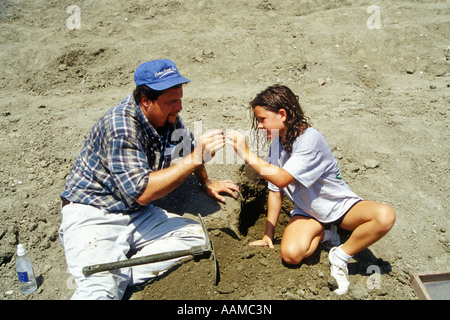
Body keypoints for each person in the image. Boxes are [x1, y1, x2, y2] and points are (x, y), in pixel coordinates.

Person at [59, 59, 239, 300]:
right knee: (100, 293)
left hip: (137, 213)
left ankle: (116, 272)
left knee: (197, 238)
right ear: (145, 101)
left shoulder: (168, 118)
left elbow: (189, 148)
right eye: (171, 101)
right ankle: (108, 275)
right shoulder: (121, 127)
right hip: (95, 214)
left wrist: (205, 182)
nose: (179, 107)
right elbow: (142, 192)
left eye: (180, 98)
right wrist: (196, 158)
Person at [226, 84, 395, 295]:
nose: (259, 126)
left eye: (262, 119)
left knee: (385, 216)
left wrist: (246, 153)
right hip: (308, 212)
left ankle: (340, 255)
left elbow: (281, 179)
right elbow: (275, 191)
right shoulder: (277, 144)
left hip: (339, 207)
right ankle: (327, 233)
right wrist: (268, 234)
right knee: (290, 254)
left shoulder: (310, 139)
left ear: (282, 114)